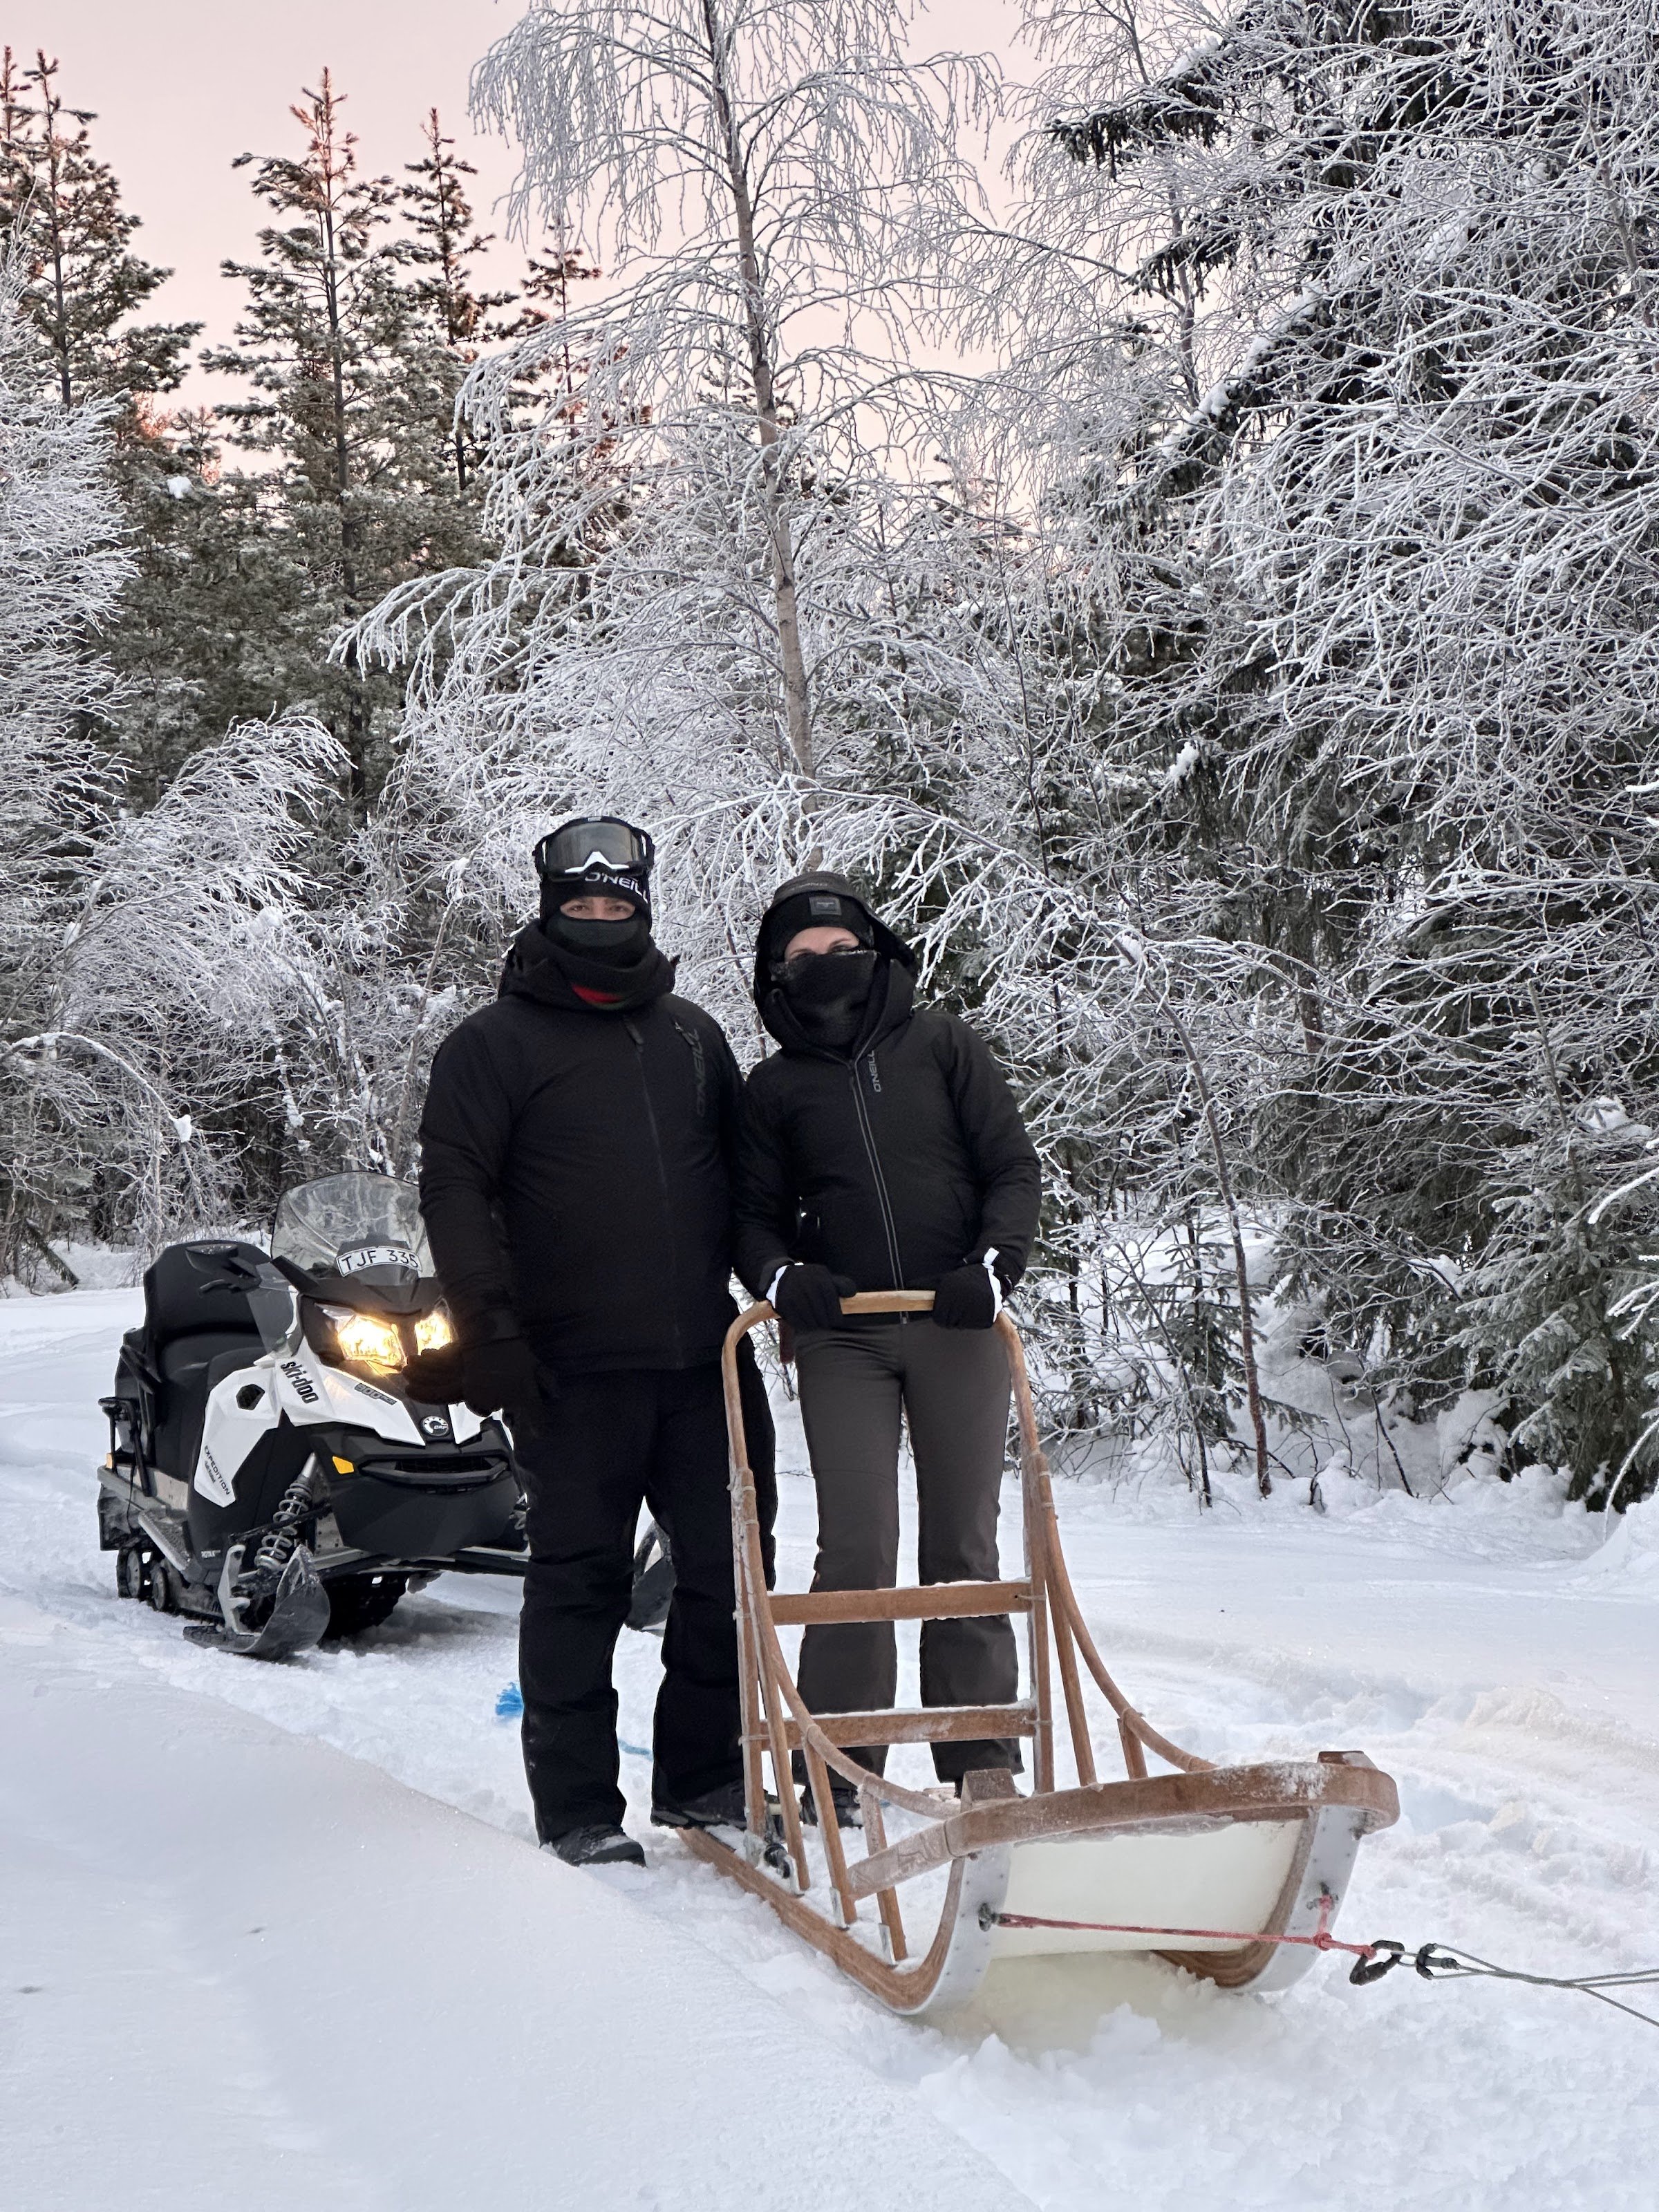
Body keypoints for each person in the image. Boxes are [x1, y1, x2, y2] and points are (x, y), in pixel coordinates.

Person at [417, 817, 776, 1868]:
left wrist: (796, 1286)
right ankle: (577, 1806)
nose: (600, 921)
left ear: (644, 910)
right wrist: (489, 1330)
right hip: (566, 1365)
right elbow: (456, 1188)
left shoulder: (692, 1037)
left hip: (704, 1361)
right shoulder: (490, 1044)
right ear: (549, 910)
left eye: (617, 906)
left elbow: (749, 1181)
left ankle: (704, 1776)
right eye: (581, 906)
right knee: (581, 1580)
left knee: (727, 1569)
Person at [733, 872, 1041, 1819]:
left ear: (872, 952)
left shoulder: (943, 1045)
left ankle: (978, 1749)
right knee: (858, 1542)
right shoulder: (773, 1086)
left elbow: (1011, 1168)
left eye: (836, 950)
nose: (822, 968)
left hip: (954, 1323)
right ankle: (836, 1754)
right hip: (846, 1339)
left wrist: (992, 1267)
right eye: (800, 959)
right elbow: (750, 1218)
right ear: (776, 978)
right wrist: (785, 1280)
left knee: (964, 1543)